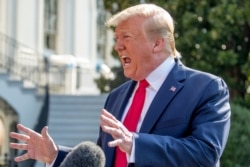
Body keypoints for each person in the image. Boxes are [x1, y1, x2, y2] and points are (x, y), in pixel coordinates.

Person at [9, 3, 231, 167]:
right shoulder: (116, 97)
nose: (117, 46)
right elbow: (107, 160)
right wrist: (55, 156)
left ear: (157, 43)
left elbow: (205, 153)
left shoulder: (205, 88)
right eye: (116, 38)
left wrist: (135, 143)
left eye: (125, 37)